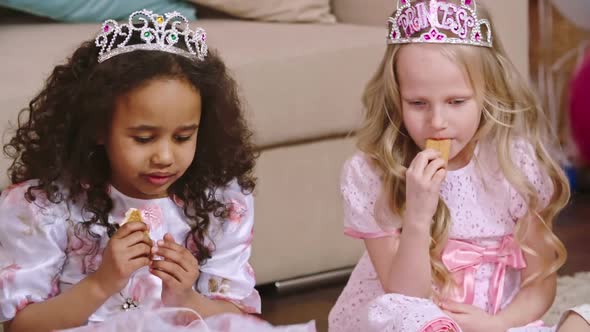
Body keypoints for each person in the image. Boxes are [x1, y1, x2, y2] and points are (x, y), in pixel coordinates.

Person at [0, 9, 314, 332]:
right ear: (98, 128)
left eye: (183, 137)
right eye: (144, 138)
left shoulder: (219, 204)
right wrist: (101, 283)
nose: (164, 156)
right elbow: (20, 326)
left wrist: (187, 298)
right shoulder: (47, 207)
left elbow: (239, 320)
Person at [328, 1, 590, 331]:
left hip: (493, 321)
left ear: (488, 94)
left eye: (456, 102)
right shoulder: (373, 173)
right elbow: (406, 297)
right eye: (418, 103)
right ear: (396, 98)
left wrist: (498, 323)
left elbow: (539, 283)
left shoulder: (514, 164)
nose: (437, 122)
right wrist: (418, 215)